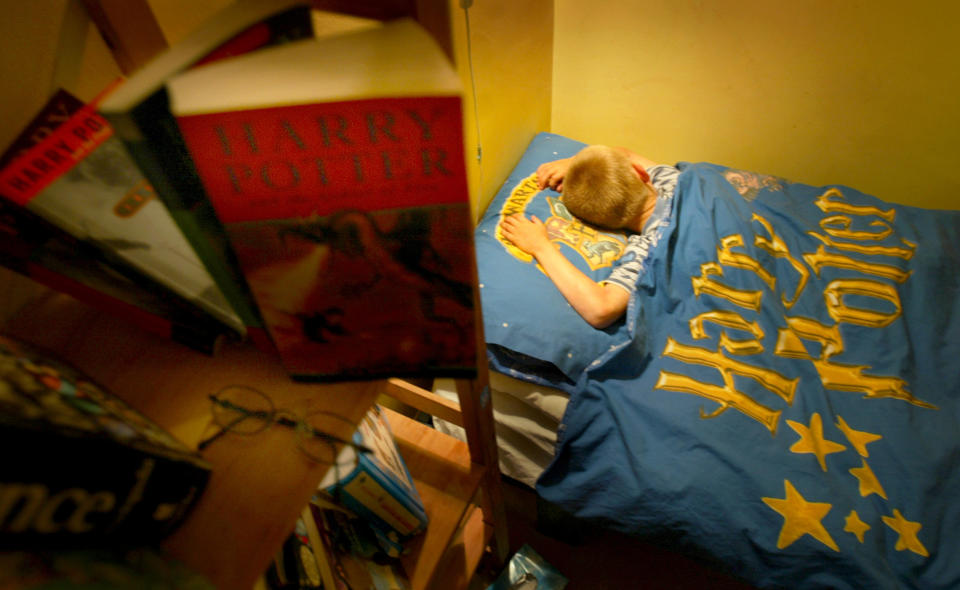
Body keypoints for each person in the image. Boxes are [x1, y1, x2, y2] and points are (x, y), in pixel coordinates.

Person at [499, 145, 679, 329]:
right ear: (642, 173)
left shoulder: (648, 250)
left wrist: (541, 246)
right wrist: (573, 162)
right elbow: (626, 154)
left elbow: (601, 310)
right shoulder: (674, 180)